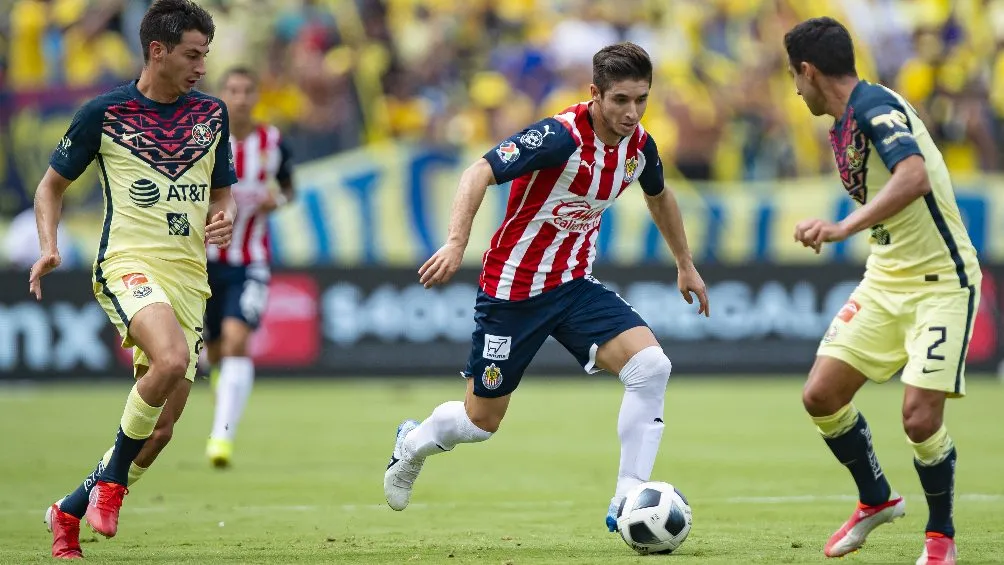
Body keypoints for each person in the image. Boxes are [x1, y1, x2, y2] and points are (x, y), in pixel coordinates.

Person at [382, 42, 711, 533]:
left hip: (575, 286)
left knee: (651, 367)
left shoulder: (639, 146)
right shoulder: (558, 137)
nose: (632, 111)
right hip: (512, 291)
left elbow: (659, 196)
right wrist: (455, 243)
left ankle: (627, 496)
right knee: (480, 422)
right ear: (595, 94)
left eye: (641, 99)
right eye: (620, 100)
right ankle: (413, 443)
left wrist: (684, 263)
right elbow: (478, 172)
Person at [33, 0, 236, 558]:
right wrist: (49, 246)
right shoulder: (103, 113)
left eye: (205, 55)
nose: (201, 66)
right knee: (169, 360)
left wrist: (226, 214)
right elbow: (50, 186)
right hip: (129, 261)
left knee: (163, 429)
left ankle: (68, 509)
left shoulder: (213, 115)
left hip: (190, 276)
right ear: (157, 50)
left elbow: (223, 191)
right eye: (192, 55)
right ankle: (113, 488)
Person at [785, 17, 979, 565]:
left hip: (942, 282)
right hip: (887, 277)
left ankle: (941, 538)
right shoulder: (849, 117)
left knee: (919, 418)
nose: (795, 90)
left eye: (794, 78)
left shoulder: (874, 108)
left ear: (808, 70)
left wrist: (841, 228)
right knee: (821, 395)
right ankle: (876, 499)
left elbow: (913, 176)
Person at [204, 66, 294, 468]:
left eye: (246, 90)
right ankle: (225, 392)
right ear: (221, 95)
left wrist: (280, 201)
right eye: (232, 90)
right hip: (203, 262)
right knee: (216, 351)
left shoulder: (272, 142)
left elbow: (290, 187)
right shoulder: (203, 139)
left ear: (257, 96)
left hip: (251, 261)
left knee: (237, 340)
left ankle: (221, 439)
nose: (239, 98)